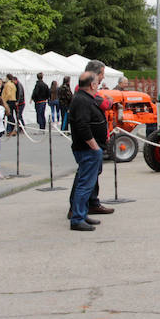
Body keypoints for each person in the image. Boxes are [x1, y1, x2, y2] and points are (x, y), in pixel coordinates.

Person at [67, 72, 107, 231]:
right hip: (87, 150)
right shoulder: (82, 100)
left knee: (87, 185)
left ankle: (82, 214)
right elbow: (82, 126)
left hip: (87, 149)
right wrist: (95, 146)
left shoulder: (82, 98)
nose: (98, 85)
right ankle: (77, 218)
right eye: (97, 82)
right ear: (92, 85)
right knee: (84, 185)